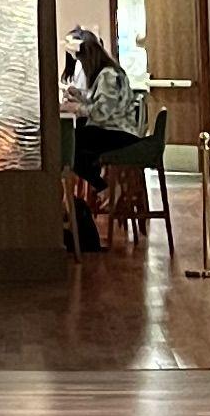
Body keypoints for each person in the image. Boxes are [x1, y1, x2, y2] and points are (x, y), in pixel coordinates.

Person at [62, 24, 153, 248]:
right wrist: (80, 96)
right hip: (117, 131)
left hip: (119, 134)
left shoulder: (108, 76)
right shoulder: (108, 74)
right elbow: (101, 102)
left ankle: (106, 188)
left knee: (70, 147)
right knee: (75, 146)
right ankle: (104, 187)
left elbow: (102, 112)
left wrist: (76, 108)